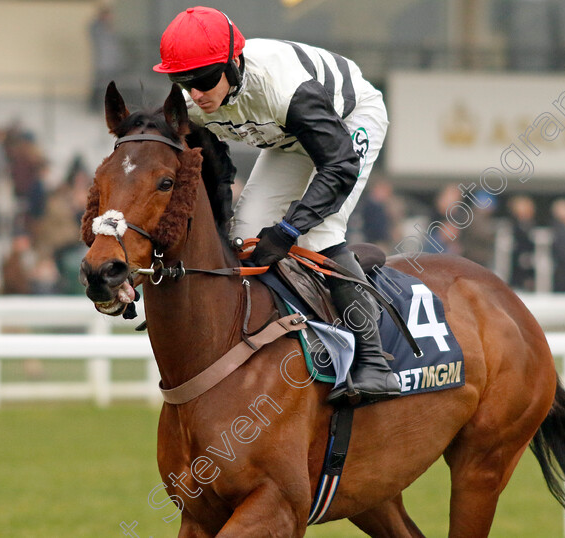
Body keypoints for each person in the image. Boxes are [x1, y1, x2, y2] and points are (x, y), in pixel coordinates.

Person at [153, 6, 399, 405]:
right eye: (183, 81)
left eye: (203, 79)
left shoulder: (284, 88)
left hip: (350, 120)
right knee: (242, 233)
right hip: (289, 140)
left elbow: (338, 166)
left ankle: (373, 361)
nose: (195, 92)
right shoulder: (193, 105)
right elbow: (213, 171)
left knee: (320, 230)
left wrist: (288, 231)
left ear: (233, 63)